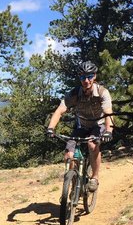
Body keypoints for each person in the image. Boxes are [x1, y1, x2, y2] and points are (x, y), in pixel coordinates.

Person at [46, 61, 113, 191]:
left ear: (94, 76)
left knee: (92, 145)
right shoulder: (74, 93)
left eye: (89, 76)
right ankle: (73, 187)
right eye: (83, 77)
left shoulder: (102, 92)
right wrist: (50, 128)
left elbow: (108, 114)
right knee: (69, 156)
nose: (86, 80)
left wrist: (109, 131)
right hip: (81, 126)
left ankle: (95, 177)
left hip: (97, 126)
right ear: (79, 78)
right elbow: (59, 110)